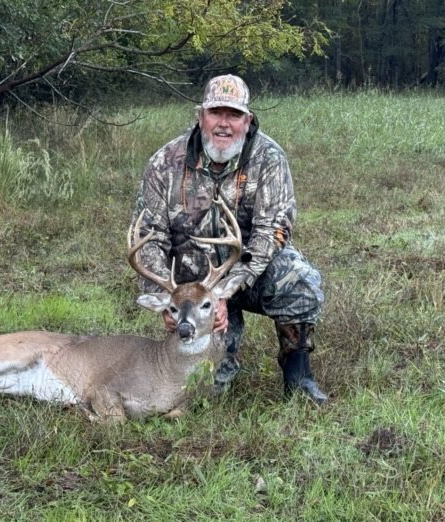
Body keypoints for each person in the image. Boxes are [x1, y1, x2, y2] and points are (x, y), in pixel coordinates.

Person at [130, 74, 327, 403]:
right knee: (210, 395)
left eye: (234, 115)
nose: (224, 124)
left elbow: (273, 229)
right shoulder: (165, 162)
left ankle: (299, 376)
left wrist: (227, 289)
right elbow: (149, 238)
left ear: (247, 121)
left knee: (300, 280)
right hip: (192, 289)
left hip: (248, 275)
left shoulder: (269, 159)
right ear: (200, 116)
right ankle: (213, 364)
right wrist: (167, 297)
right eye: (216, 113)